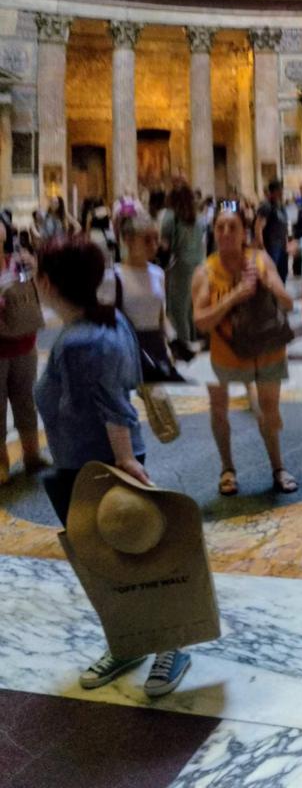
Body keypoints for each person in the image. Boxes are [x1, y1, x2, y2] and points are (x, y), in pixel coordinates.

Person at [34, 237, 190, 696]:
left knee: (133, 561)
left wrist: (122, 462)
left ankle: (171, 645)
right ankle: (129, 641)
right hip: (83, 462)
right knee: (107, 564)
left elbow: (111, 404)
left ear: (47, 283)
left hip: (98, 466)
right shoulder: (106, 319)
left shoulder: (83, 340)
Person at [191, 205, 297, 495]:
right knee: (219, 409)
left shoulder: (260, 260)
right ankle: (227, 468)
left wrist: (268, 284)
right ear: (213, 232)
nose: (226, 233)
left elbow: (288, 303)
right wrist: (234, 297)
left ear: (244, 233)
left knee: (269, 410)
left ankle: (278, 467)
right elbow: (200, 321)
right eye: (220, 227)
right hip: (225, 352)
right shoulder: (205, 272)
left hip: (267, 349)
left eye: (232, 227)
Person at [116, 208, 185, 383]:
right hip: (128, 345)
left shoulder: (158, 274)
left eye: (156, 239)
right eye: (147, 240)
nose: (154, 246)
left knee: (159, 393)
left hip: (155, 345)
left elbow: (160, 315)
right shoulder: (115, 276)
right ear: (128, 240)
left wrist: (172, 341)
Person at [0, 238, 45, 484]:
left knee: (26, 401)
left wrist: (35, 269)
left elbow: (37, 292)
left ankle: (32, 456)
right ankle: (2, 464)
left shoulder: (17, 263)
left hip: (24, 343)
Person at [160, 184, 206, 362]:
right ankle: (194, 339)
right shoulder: (198, 217)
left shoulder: (170, 216)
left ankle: (183, 345)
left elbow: (165, 246)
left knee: (178, 307)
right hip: (199, 263)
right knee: (191, 305)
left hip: (180, 265)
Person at [256, 179, 289, 279]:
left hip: (282, 244)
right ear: (273, 192)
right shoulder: (266, 207)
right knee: (271, 272)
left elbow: (284, 225)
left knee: (283, 272)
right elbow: (258, 227)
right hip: (271, 244)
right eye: (279, 190)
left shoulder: (281, 207)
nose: (282, 193)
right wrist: (261, 246)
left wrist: (286, 242)